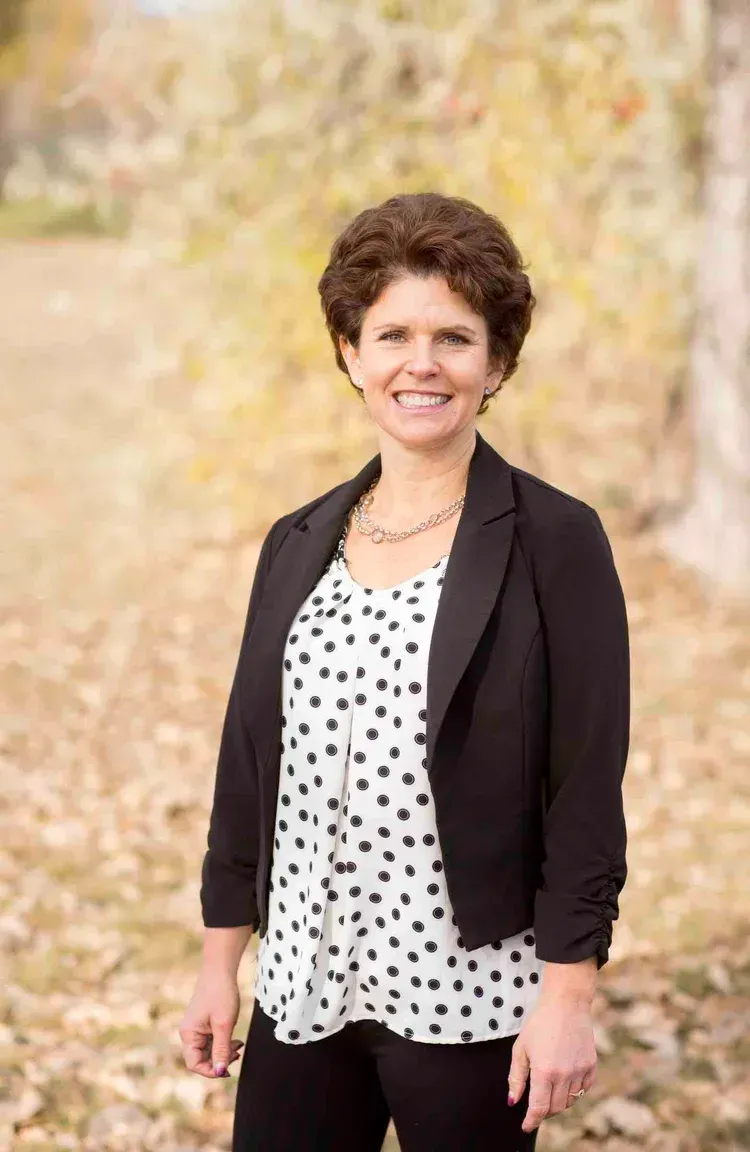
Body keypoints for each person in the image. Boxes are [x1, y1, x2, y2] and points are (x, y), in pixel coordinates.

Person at [179, 192, 630, 1151]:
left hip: (469, 1000)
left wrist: (568, 996)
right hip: (302, 987)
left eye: (454, 338)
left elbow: (585, 789)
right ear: (351, 352)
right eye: (391, 334)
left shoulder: (557, 541)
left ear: (496, 362)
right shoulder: (295, 542)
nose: (420, 363)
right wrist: (222, 962)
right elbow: (252, 766)